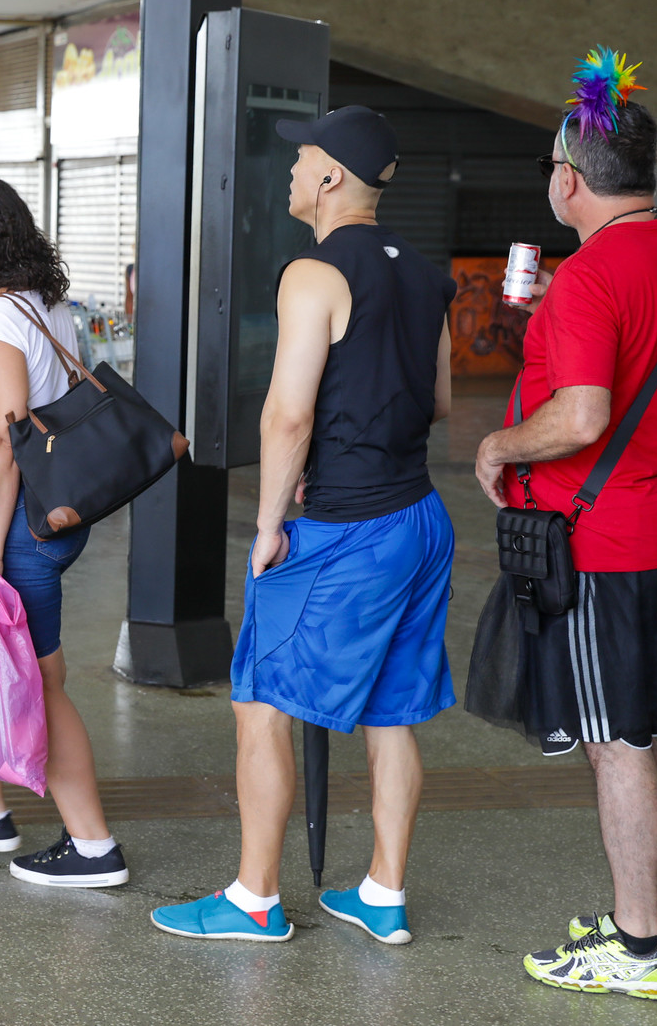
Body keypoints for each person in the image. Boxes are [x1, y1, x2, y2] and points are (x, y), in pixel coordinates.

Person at [465, 54, 657, 1002]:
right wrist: (564, 319)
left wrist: (500, 441)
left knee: (614, 740)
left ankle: (633, 947)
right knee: (640, 725)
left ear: (568, 179)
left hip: (599, 546)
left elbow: (581, 418)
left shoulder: (587, 280)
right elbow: (640, 351)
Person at [150, 105, 457, 946]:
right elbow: (439, 402)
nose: (289, 171)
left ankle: (253, 898)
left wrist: (269, 524)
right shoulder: (429, 275)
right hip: (420, 520)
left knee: (259, 700)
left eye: (301, 158)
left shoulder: (312, 273)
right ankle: (382, 894)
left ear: (330, 178)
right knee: (393, 711)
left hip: (343, 525)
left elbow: (286, 416)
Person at [0, 176, 185, 887]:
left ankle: (93, 846)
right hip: (50, 517)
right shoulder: (45, 304)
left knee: (35, 678)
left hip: (23, 524)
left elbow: (5, 444)